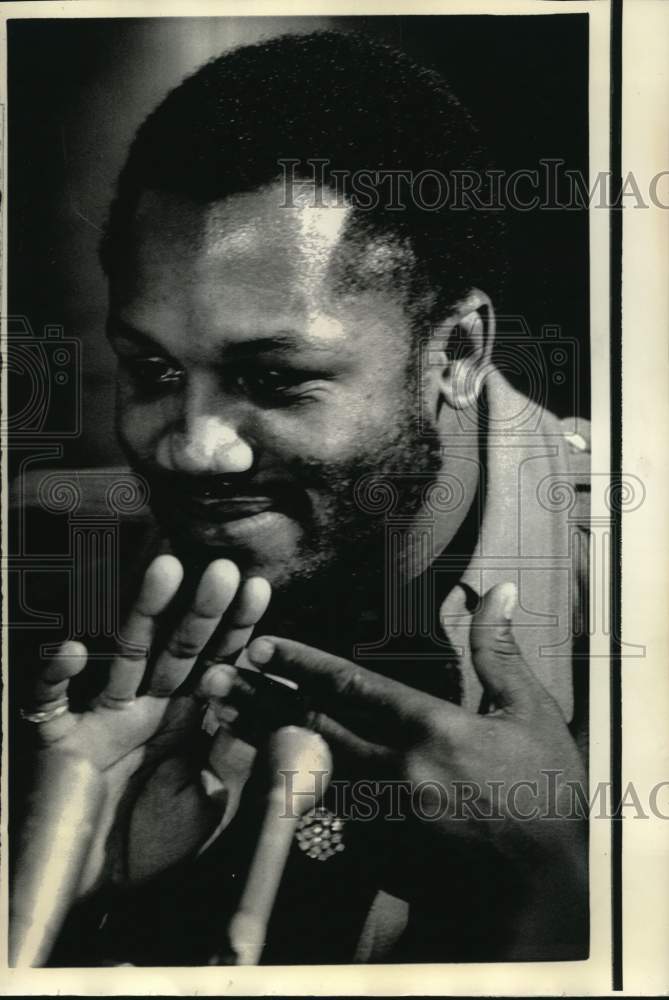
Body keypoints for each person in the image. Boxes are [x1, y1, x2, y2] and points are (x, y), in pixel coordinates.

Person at [13, 29, 589, 965]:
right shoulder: (32, 565)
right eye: (152, 367)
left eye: (274, 379)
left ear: (456, 354)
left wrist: (575, 894)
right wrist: (48, 928)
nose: (195, 447)